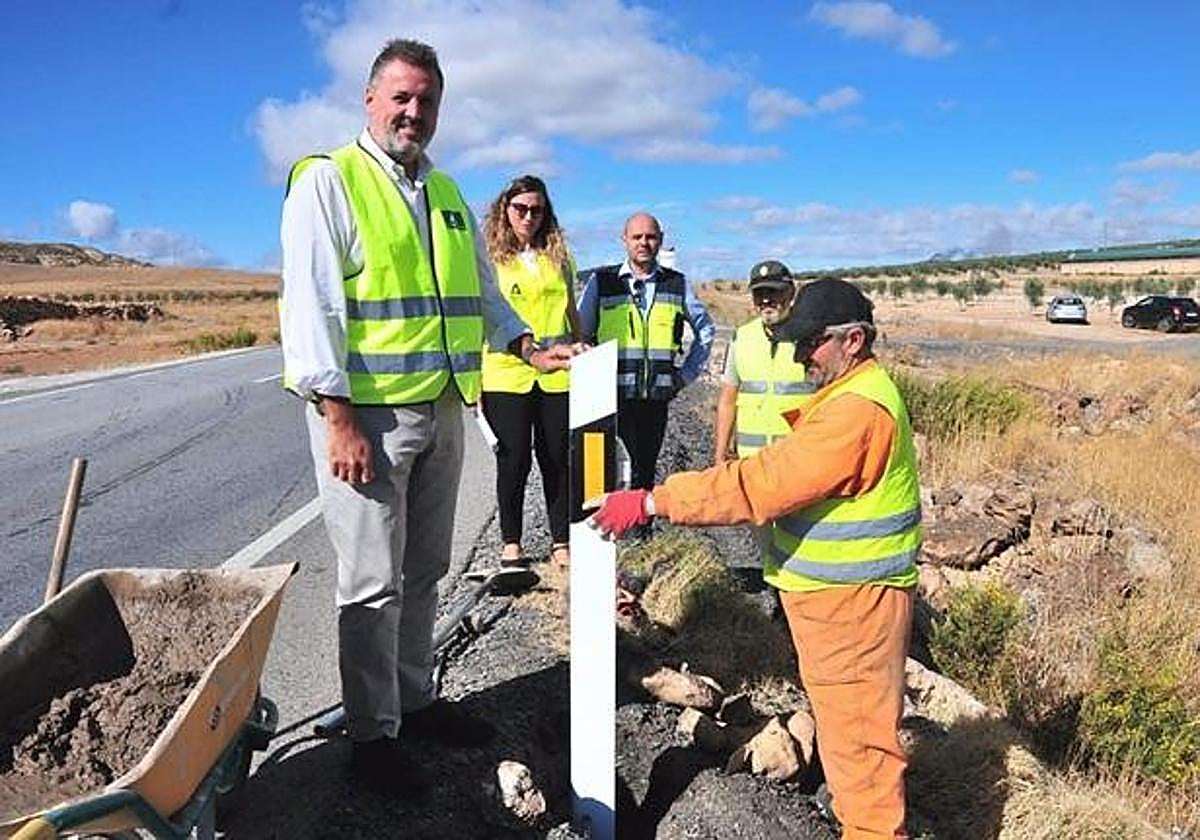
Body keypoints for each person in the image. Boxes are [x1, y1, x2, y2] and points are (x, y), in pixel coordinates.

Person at [279, 38, 573, 797]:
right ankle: (373, 735)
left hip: (442, 409)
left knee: (423, 571)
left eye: (428, 101)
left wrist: (527, 343)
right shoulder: (329, 180)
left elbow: (481, 292)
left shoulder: (443, 192)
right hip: (367, 421)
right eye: (402, 97)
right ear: (371, 99)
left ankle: (416, 700)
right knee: (372, 584)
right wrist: (335, 415)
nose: (415, 112)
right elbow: (310, 305)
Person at [591, 279, 921, 840]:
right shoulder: (848, 395)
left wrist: (654, 499)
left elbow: (761, 486)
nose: (798, 354)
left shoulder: (857, 412)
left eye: (809, 343)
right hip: (838, 605)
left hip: (854, 610)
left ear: (854, 340)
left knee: (862, 748)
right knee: (848, 736)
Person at [480, 175, 583, 568]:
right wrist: (473, 382)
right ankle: (512, 545)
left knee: (557, 458)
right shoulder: (490, 260)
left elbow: (572, 314)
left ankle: (561, 542)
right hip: (506, 375)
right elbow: (482, 318)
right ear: (505, 210)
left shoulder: (559, 258)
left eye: (536, 210)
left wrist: (580, 344)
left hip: (557, 374)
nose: (528, 216)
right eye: (520, 208)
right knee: (514, 460)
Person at [578, 213, 715, 491]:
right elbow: (582, 334)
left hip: (655, 397)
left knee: (645, 470)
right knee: (605, 469)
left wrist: (686, 375)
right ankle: (608, 528)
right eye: (637, 237)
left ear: (660, 241)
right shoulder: (602, 282)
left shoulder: (677, 284)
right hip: (610, 396)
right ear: (624, 241)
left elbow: (705, 330)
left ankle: (642, 530)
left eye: (650, 237)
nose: (644, 243)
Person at [713, 259, 814, 465]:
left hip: (797, 461)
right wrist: (720, 452)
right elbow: (728, 399)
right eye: (759, 294)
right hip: (750, 462)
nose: (766, 300)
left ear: (791, 293)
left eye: (773, 292)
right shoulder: (741, 337)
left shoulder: (810, 339)